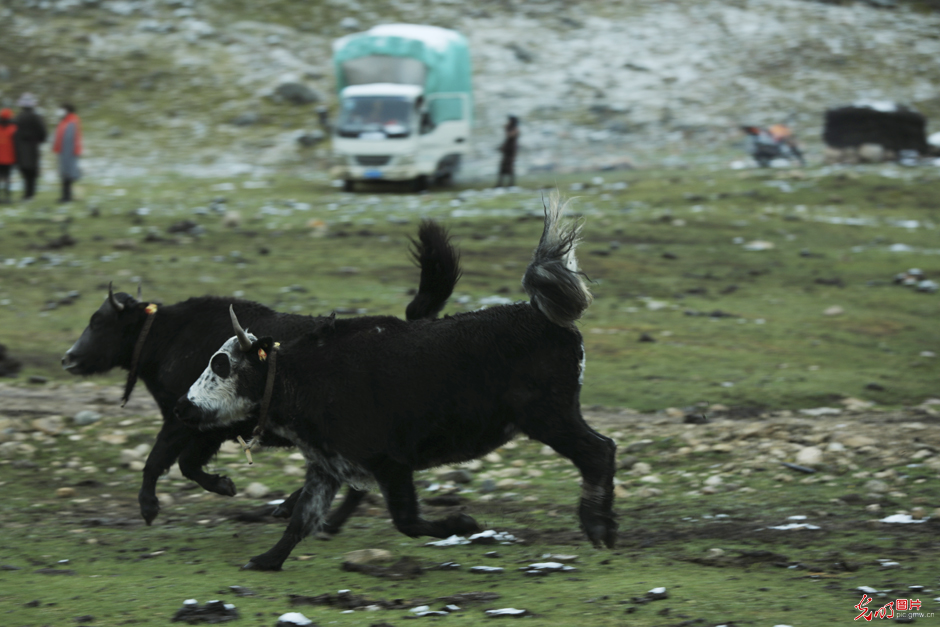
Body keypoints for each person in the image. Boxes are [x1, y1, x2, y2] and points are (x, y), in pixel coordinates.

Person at [13, 93, 46, 201]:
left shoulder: (18, 117)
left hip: (21, 148)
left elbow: (14, 133)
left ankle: (27, 194)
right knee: (32, 171)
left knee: (25, 171)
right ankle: (31, 194)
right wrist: (40, 140)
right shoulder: (36, 117)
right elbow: (43, 132)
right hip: (33, 147)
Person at [53, 102, 82, 203]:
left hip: (68, 153)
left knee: (68, 175)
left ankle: (67, 197)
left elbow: (71, 138)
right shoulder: (65, 121)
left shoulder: (71, 121)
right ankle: (65, 196)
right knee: (65, 175)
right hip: (64, 153)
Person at [496, 115, 519, 188]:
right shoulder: (511, 128)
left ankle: (511, 184)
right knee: (503, 168)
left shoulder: (515, 129)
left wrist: (507, 129)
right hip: (507, 151)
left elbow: (510, 136)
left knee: (510, 167)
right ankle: (500, 183)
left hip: (511, 151)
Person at [0, 109, 16, 203]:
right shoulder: (13, 128)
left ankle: (4, 196)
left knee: (3, 177)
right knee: (7, 177)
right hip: (9, 158)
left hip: (3, 157)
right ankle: (7, 197)